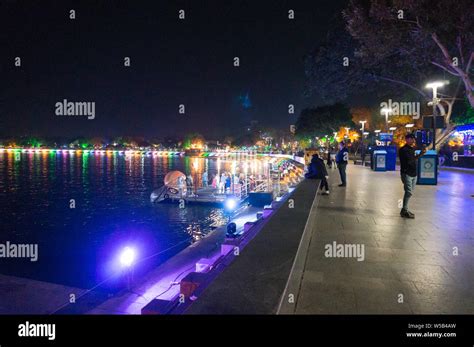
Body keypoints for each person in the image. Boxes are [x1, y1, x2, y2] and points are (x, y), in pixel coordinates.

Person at [399, 134, 426, 218]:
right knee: (409, 192)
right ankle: (404, 209)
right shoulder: (403, 150)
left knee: (409, 192)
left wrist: (421, 154)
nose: (414, 141)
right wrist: (419, 155)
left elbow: (413, 159)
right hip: (406, 173)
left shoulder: (412, 149)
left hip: (414, 174)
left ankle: (404, 209)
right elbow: (409, 161)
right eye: (412, 139)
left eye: (414, 139)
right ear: (407, 139)